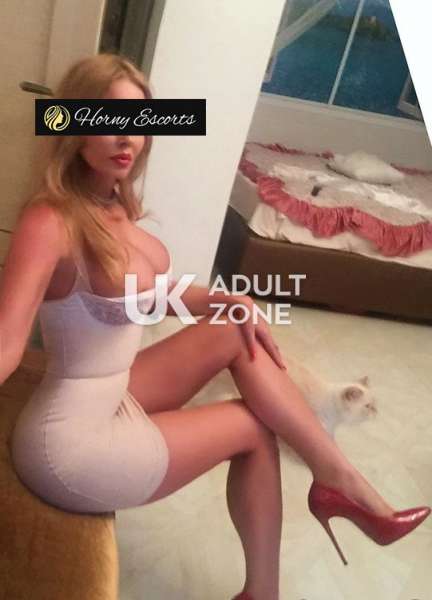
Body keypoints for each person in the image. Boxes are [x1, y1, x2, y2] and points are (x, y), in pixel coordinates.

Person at [1, 53, 430, 600]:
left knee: (234, 325)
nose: (127, 137)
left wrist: (223, 299)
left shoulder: (114, 204)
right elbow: (7, 343)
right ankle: (303, 539)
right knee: (253, 428)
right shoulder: (50, 220)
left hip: (112, 391)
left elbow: (143, 295)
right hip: (69, 445)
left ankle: (334, 480)